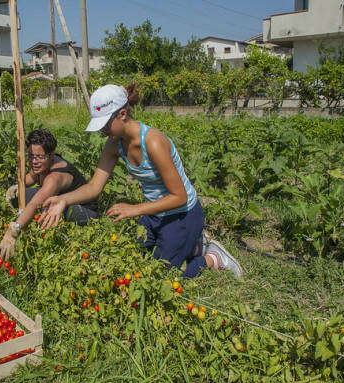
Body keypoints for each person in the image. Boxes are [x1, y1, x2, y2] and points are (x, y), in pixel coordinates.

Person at [39, 84, 242, 278]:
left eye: (105, 124)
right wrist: (64, 200)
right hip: (153, 214)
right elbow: (93, 187)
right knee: (135, 262)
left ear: (123, 114)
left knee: (163, 276)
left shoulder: (152, 142)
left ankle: (213, 258)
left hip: (181, 214)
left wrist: (134, 209)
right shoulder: (114, 145)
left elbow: (179, 197)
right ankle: (192, 246)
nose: (102, 131)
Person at [0, 129, 98, 259]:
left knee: (43, 211)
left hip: (83, 210)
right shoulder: (40, 163)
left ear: (51, 155)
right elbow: (30, 178)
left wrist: (13, 230)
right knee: (18, 198)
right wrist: (17, 186)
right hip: (56, 199)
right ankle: (26, 218)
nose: (34, 161)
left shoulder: (54, 178)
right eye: (31, 155)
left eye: (40, 157)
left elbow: (34, 204)